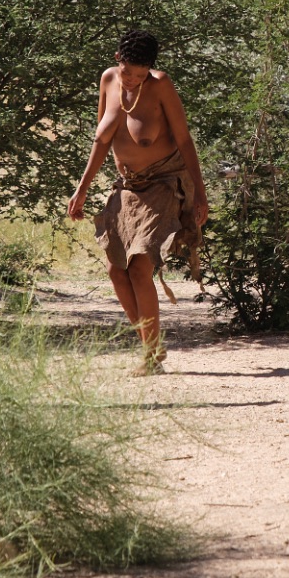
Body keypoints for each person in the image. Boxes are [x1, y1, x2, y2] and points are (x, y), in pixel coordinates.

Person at [68, 29, 209, 374]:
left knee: (139, 266)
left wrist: (200, 193)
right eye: (128, 71)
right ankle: (152, 346)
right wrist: (82, 189)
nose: (132, 79)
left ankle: (150, 356)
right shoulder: (108, 80)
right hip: (128, 187)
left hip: (164, 183)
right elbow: (101, 141)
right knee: (116, 270)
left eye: (140, 74)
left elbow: (184, 140)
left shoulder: (161, 85)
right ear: (118, 58)